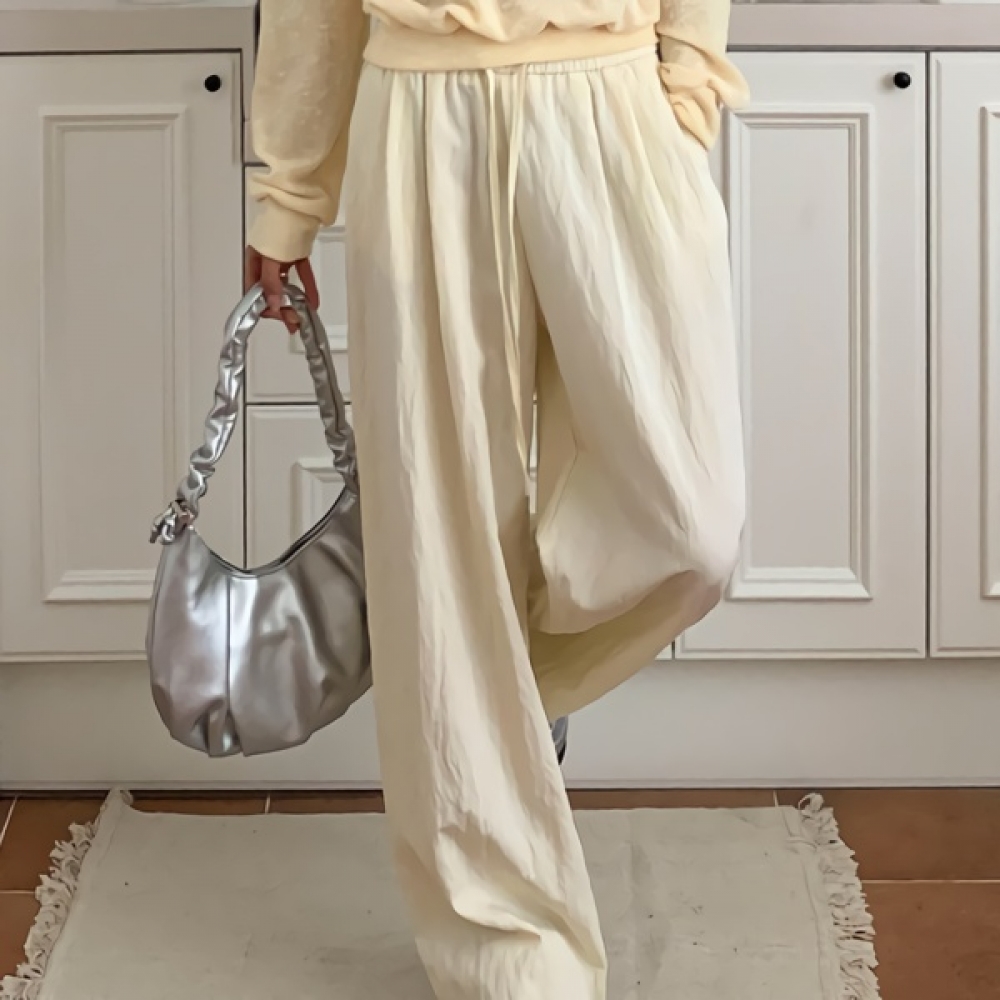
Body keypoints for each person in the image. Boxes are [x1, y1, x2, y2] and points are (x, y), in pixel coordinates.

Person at [245, 2, 748, 997]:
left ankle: (502, 693)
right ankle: (508, 955)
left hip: (613, 100)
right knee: (439, 520)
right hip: (420, 105)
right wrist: (289, 193)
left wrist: (686, 95)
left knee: (696, 527)